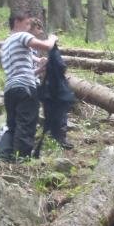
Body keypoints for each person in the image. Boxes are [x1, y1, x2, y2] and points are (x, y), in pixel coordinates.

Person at [0, 12, 57, 161]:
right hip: (25, 88)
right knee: (26, 123)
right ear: (17, 22)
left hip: (11, 88)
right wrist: (53, 38)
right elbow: (47, 46)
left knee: (12, 125)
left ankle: (3, 156)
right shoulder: (21, 36)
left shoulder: (6, 44)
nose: (29, 27)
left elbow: (21, 71)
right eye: (27, 23)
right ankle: (22, 160)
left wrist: (40, 69)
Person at [30, 18, 74, 150]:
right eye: (38, 28)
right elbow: (48, 46)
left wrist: (40, 63)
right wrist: (52, 39)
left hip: (34, 81)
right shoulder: (27, 41)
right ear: (32, 28)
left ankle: (48, 135)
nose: (40, 31)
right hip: (27, 83)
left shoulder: (31, 45)